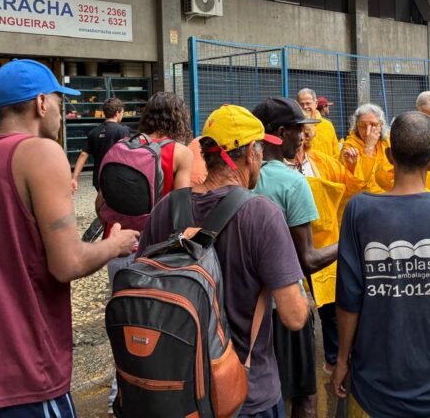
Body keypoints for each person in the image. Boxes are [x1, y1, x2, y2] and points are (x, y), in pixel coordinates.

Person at [0, 58, 139, 416]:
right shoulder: (41, 152)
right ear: (41, 103)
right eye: (59, 101)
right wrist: (114, 245)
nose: (60, 112)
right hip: (21, 377)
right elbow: (67, 263)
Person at [137, 104, 310, 418]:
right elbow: (294, 317)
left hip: (179, 392)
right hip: (243, 393)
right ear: (251, 154)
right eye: (259, 150)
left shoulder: (166, 208)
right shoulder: (261, 214)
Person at [332, 111, 430, 418]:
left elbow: (349, 301)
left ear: (389, 156)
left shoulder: (359, 210)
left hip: (376, 391)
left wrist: (342, 361)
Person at [102, 90, 193, 412]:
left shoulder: (121, 147)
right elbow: (182, 214)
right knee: (158, 330)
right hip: (156, 255)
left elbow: (102, 202)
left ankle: (120, 399)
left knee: (124, 326)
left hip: (117, 249)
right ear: (179, 118)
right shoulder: (179, 153)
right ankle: (158, 398)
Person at [251, 97, 337, 418]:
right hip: (286, 308)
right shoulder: (292, 182)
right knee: (303, 399)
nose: (303, 137)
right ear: (280, 133)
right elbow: (307, 260)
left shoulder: (240, 177)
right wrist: (351, 243)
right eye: (298, 130)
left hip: (245, 308)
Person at [287, 121, 362, 375]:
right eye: (298, 133)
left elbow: (348, 191)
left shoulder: (322, 162)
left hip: (325, 246)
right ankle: (301, 365)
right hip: (293, 246)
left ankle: (333, 359)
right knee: (295, 307)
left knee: (330, 307)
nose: (301, 138)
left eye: (304, 133)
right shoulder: (277, 168)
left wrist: (351, 168)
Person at [71, 97, 130, 193]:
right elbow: (127, 155)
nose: (122, 115)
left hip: (98, 178)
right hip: (117, 177)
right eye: (122, 112)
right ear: (117, 113)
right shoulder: (123, 130)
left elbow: (83, 155)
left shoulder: (93, 132)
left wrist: (74, 178)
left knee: (103, 200)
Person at [341, 103, 391, 193]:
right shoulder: (349, 147)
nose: (368, 131)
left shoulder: (387, 141)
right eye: (363, 126)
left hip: (389, 194)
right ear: (356, 127)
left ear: (381, 125)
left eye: (373, 125)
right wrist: (369, 146)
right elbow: (358, 184)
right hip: (365, 196)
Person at [296, 88, 339, 157]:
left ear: (315, 104)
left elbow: (336, 153)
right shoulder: (295, 127)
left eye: (308, 103)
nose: (305, 107)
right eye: (301, 104)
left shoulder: (327, 125)